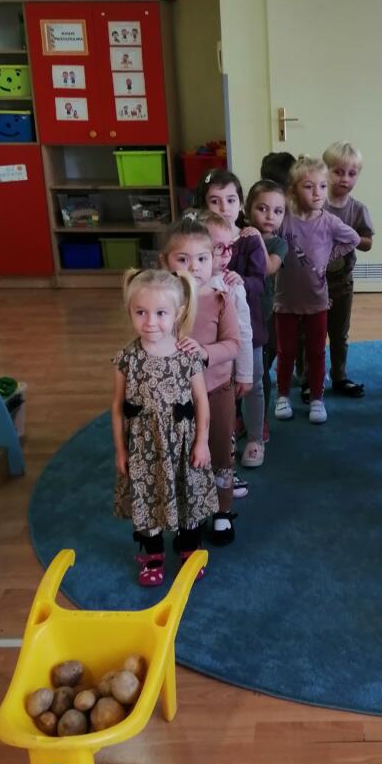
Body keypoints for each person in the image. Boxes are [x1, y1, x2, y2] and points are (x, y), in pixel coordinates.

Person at [111, 268, 216, 586]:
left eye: (160, 313)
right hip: (143, 446)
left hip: (182, 444)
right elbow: (117, 406)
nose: (150, 322)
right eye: (140, 312)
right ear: (129, 310)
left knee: (186, 495)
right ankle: (153, 555)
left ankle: (189, 549)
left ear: (178, 313)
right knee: (147, 498)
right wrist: (120, 450)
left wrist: (202, 441)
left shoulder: (188, 356)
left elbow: (201, 400)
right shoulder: (126, 358)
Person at [160, 213, 242, 546]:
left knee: (220, 452)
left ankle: (222, 511)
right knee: (183, 456)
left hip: (217, 390)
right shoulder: (161, 302)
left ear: (213, 260)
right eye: (183, 259)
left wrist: (205, 352)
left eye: (202, 259)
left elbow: (234, 344)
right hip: (176, 397)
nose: (194, 267)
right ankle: (189, 513)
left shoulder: (221, 298)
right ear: (165, 262)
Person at [274, 157, 360, 424]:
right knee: (286, 351)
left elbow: (353, 239)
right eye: (309, 186)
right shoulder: (284, 218)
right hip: (285, 299)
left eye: (322, 186)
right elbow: (266, 235)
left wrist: (328, 257)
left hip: (317, 299)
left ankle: (317, 399)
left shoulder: (329, 221)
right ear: (293, 191)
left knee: (316, 351)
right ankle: (283, 395)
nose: (317, 193)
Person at [197, 169, 267, 462]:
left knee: (253, 382)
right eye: (214, 201)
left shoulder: (249, 239)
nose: (224, 208)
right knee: (222, 385)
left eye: (230, 200)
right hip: (215, 336)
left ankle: (255, 437)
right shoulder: (198, 242)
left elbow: (260, 282)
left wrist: (242, 280)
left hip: (249, 328)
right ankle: (227, 432)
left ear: (241, 204)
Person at [316, 140, 374, 398]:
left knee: (339, 333)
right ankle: (308, 377)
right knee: (311, 333)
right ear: (325, 171)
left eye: (352, 173)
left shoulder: (358, 209)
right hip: (313, 282)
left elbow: (368, 243)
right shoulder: (316, 205)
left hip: (343, 282)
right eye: (338, 172)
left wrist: (351, 236)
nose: (345, 179)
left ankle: (339, 375)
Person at [243, 180, 289, 466]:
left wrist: (255, 239)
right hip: (236, 315)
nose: (270, 216)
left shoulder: (277, 243)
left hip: (263, 316)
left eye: (278, 211)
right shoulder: (238, 235)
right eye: (262, 209)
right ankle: (239, 417)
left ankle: (260, 423)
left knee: (260, 372)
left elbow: (268, 267)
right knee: (235, 371)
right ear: (248, 209)